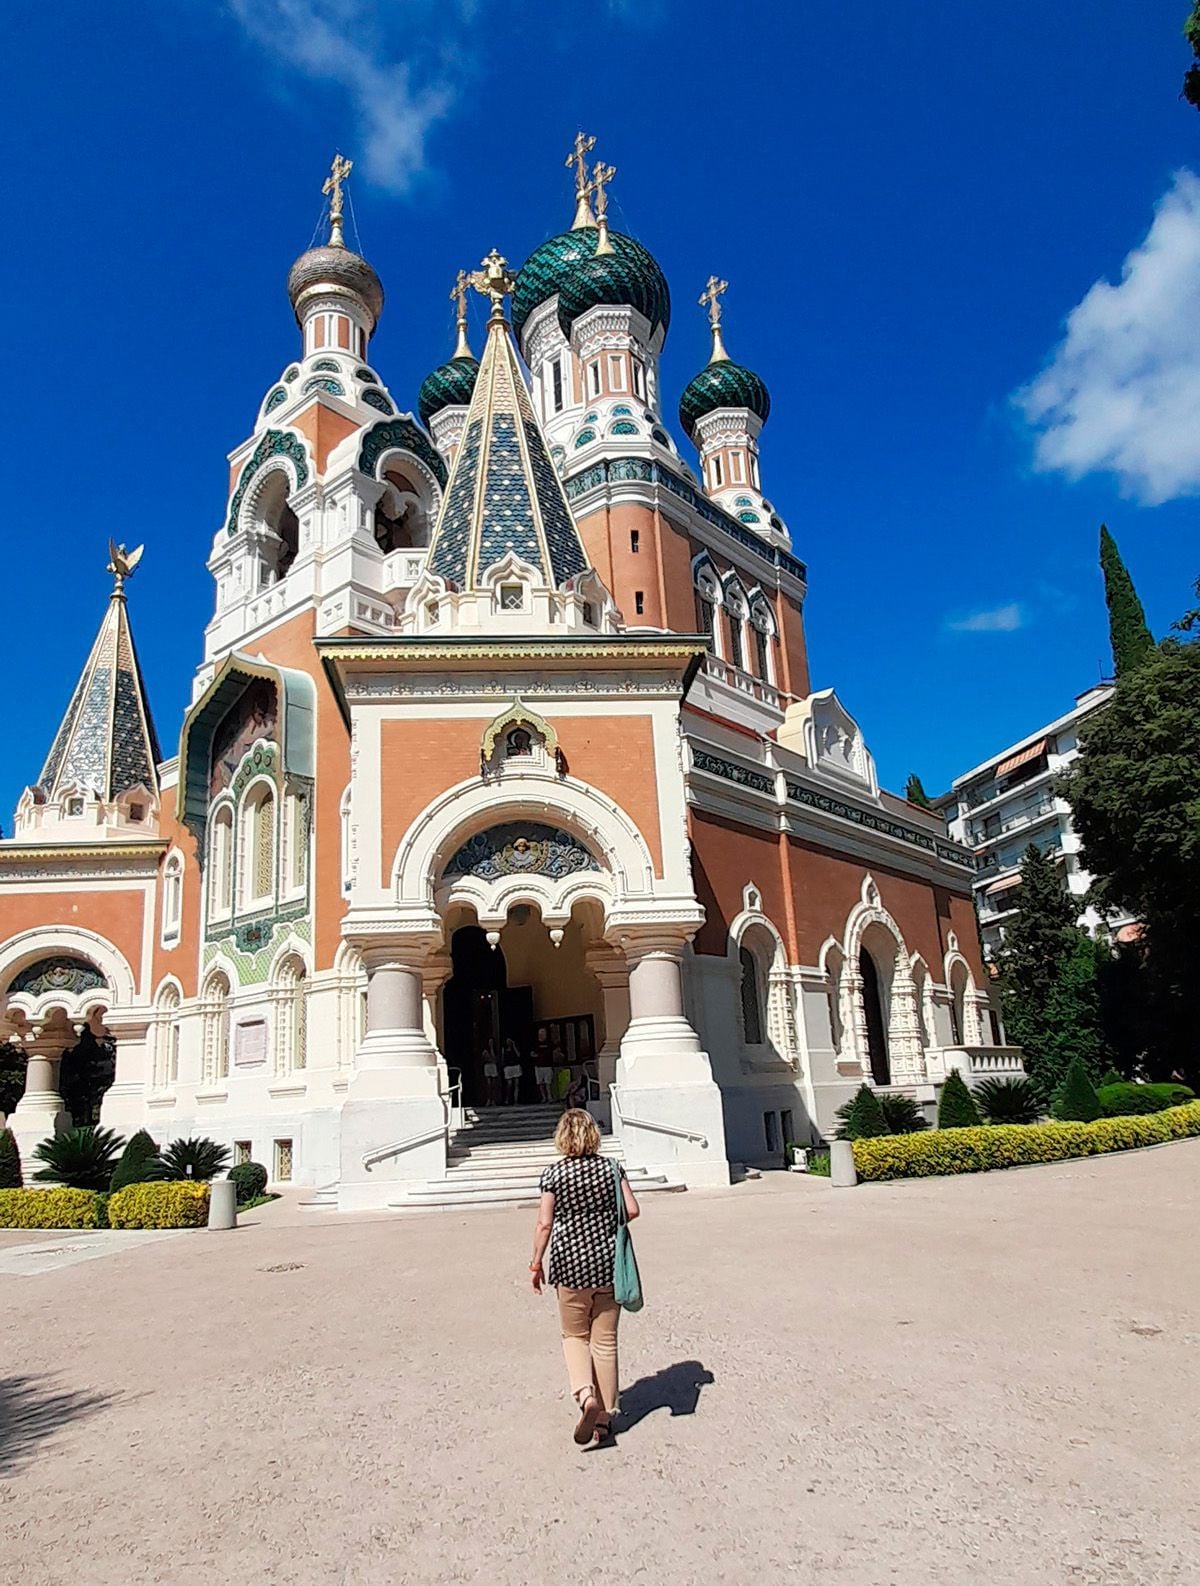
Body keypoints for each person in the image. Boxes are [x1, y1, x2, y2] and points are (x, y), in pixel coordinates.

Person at [530, 1108, 640, 1446]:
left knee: (574, 1336)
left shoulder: (554, 1174)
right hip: (607, 1263)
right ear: (594, 1135)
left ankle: (586, 1396)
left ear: (562, 1137)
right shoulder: (611, 1168)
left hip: (570, 1267)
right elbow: (633, 1209)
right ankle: (605, 1417)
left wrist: (536, 1263)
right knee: (604, 1341)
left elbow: (545, 1222)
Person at [502, 1038, 523, 1105]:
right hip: (508, 1067)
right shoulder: (504, 1049)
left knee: (516, 1084)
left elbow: (518, 1055)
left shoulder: (515, 1048)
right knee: (509, 1084)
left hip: (516, 1066)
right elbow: (503, 1058)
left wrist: (514, 1046)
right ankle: (507, 1099)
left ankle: (515, 1100)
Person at [481, 1038, 500, 1107]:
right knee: (488, 1084)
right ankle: (488, 1099)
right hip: (487, 1067)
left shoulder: (495, 1050)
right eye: (489, 1042)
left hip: (493, 1066)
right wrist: (490, 1059)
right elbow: (485, 1058)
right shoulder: (485, 1050)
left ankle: (494, 1100)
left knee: (494, 1084)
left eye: (492, 1042)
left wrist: (492, 1049)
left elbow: (495, 1059)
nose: (490, 1043)